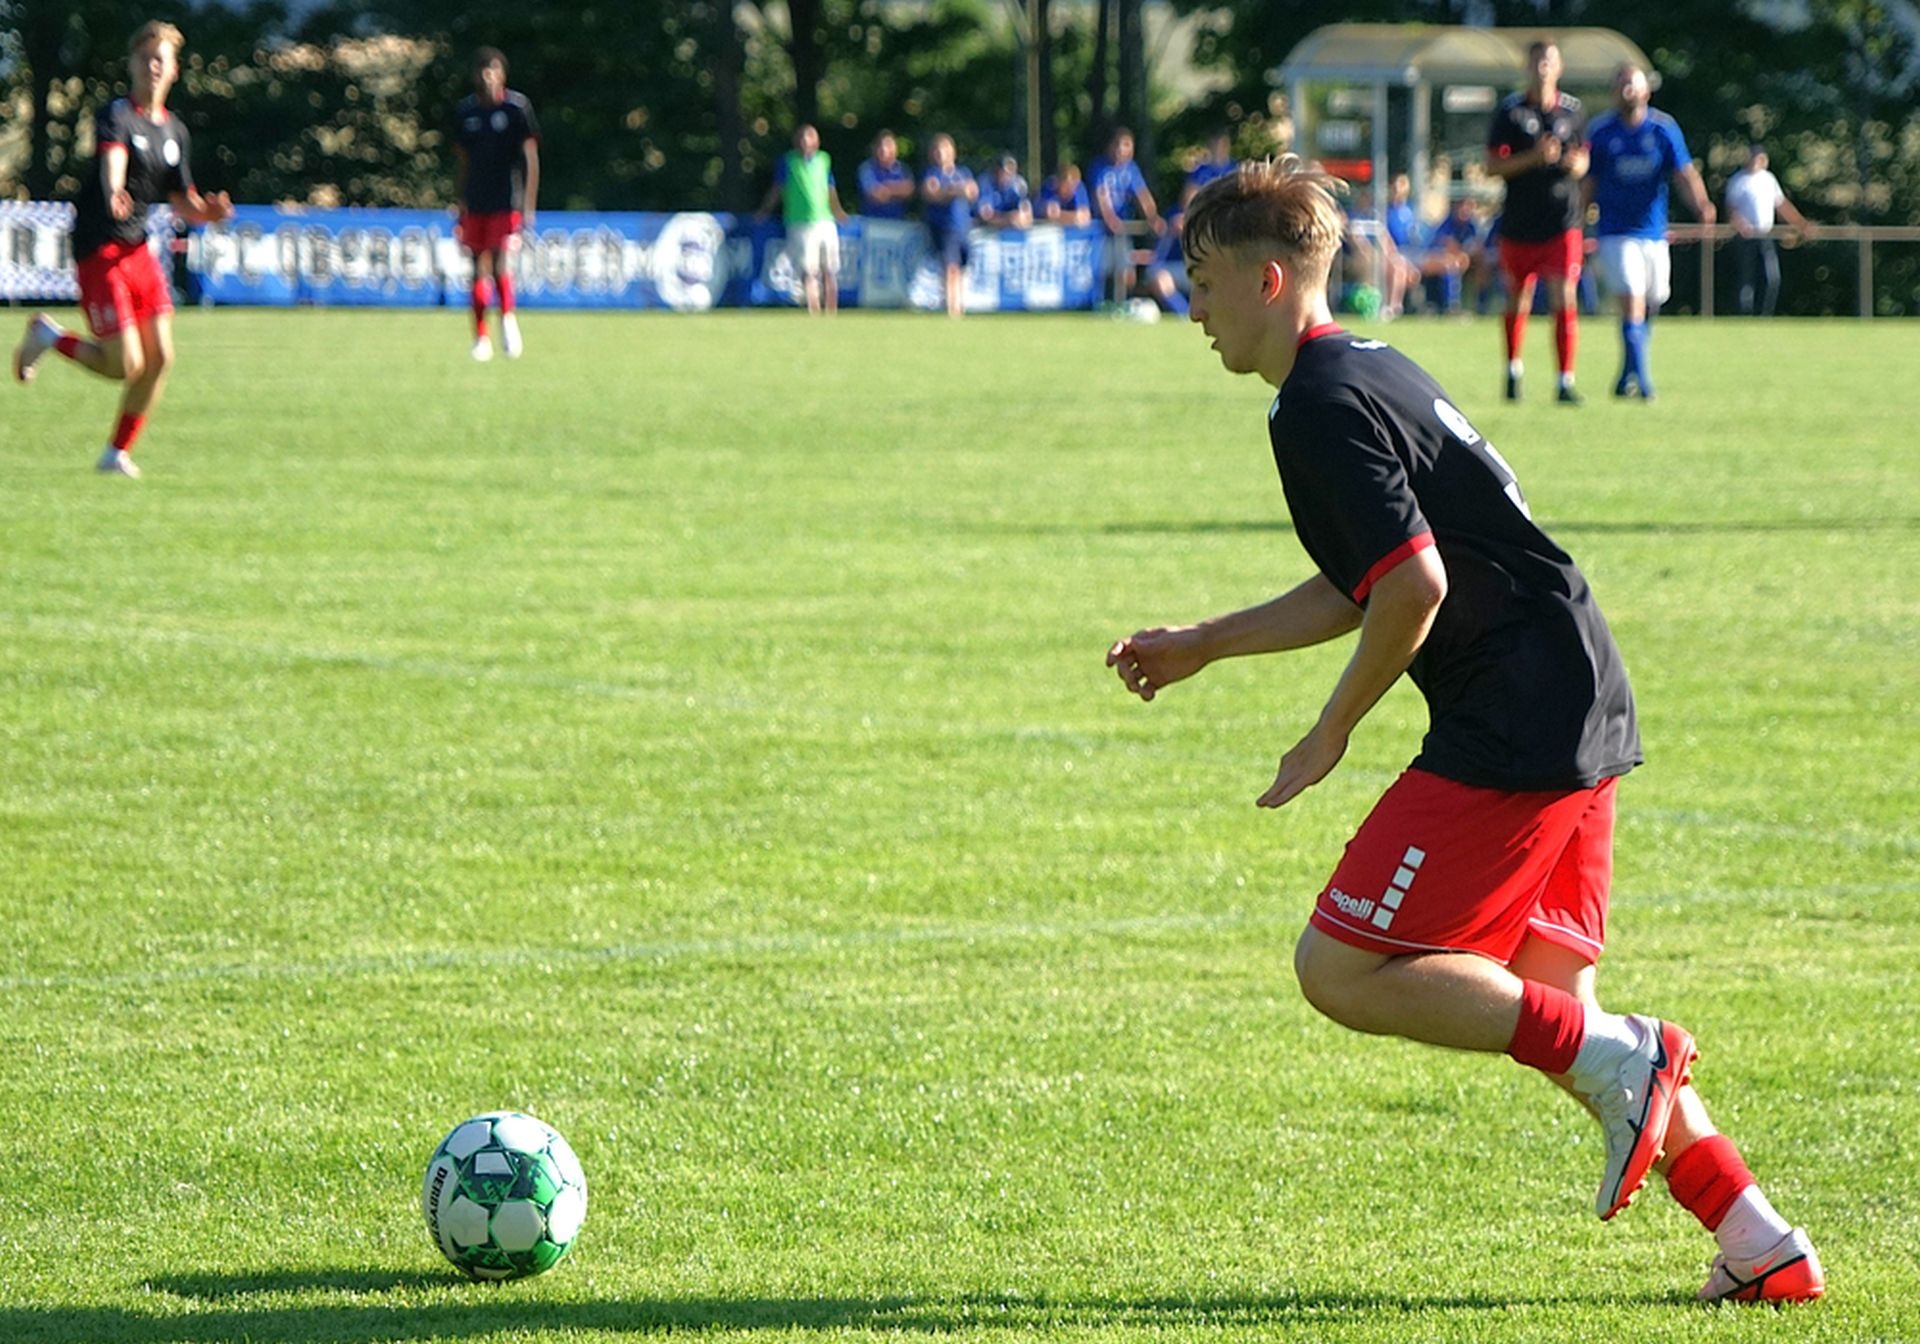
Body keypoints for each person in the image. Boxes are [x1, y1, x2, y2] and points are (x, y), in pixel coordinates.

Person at [1106, 156, 1824, 1307]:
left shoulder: (1316, 405)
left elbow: (1412, 586)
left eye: (1199, 281)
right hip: (1578, 685)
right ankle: (1761, 1242)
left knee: (1341, 967)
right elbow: (1366, 576)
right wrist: (1206, 641)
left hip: (1517, 715)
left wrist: (1331, 730)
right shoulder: (1367, 367)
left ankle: (1639, 1062)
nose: (1189, 307)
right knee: (1556, 1013)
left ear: (1267, 280)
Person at [11, 20, 233, 478]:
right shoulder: (117, 115)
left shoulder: (174, 132)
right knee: (124, 364)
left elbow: (182, 199)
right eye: (145, 58)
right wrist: (114, 189)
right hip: (99, 248)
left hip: (136, 249)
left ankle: (116, 454)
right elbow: (114, 159)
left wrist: (207, 214)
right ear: (132, 65)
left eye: (161, 60)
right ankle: (49, 336)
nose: (153, 66)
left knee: (161, 358)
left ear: (174, 70)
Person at [1583, 64, 1714, 400]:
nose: (1627, 90)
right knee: (1633, 301)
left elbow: (1684, 172)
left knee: (1652, 302)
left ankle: (1625, 375)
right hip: (1615, 232)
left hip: (1653, 233)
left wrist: (1702, 205)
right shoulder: (1602, 132)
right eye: (1621, 84)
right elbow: (1588, 182)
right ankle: (1643, 383)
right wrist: (1579, 219)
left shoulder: (1662, 129)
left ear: (1647, 91)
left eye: (1632, 84)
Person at [1486, 40, 1587, 403]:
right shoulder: (1510, 112)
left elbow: (1583, 159)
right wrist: (1534, 158)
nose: (1543, 67)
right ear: (1527, 67)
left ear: (1559, 67)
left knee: (1565, 295)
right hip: (1520, 222)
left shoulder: (1573, 111)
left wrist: (1576, 165)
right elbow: (1492, 166)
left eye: (1549, 61)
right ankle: (1513, 371)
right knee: (1518, 296)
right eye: (1537, 61)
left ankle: (1564, 380)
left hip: (1562, 221)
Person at [453, 46, 539, 361]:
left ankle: (507, 320)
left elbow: (530, 158)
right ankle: (481, 337)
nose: (487, 75)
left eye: (493, 69)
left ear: (502, 74)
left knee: (501, 262)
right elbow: (462, 162)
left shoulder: (516, 109)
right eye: (482, 70)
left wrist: (528, 205)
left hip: (506, 200)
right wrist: (460, 201)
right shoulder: (466, 113)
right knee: (477, 268)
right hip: (476, 201)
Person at [759, 123, 850, 315]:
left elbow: (830, 188)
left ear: (817, 141)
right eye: (801, 137)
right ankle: (813, 310)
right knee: (809, 270)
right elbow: (778, 189)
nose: (805, 141)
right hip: (800, 221)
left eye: (809, 137)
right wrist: (765, 210)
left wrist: (837, 211)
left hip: (825, 220)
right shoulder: (788, 161)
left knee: (830, 269)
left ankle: (831, 311)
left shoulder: (824, 160)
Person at [1726, 144, 1813, 317]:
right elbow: (1731, 209)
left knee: (1771, 277)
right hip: (1746, 237)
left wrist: (1801, 224)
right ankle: (1745, 316)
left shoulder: (1768, 179)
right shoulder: (1738, 180)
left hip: (1766, 235)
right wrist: (1741, 224)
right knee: (1746, 280)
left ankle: (1764, 316)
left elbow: (1781, 205)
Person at [1089, 127, 1163, 301]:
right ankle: (1099, 303)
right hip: (1101, 231)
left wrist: (1152, 218)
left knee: (1127, 274)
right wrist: (1109, 219)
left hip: (1122, 228)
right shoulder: (1100, 167)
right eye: (1118, 145)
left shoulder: (1131, 170)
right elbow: (1100, 196)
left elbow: (1142, 196)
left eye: (1126, 145)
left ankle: (1123, 303)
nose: (1121, 150)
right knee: (1101, 270)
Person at [920, 133, 977, 319]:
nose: (940, 154)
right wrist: (954, 191)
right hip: (944, 227)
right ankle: (951, 307)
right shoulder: (932, 173)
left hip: (963, 226)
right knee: (950, 266)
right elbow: (931, 193)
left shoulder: (962, 172)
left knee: (962, 267)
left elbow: (972, 191)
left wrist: (952, 191)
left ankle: (960, 303)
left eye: (943, 149)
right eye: (936, 150)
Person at [857, 129, 915, 220]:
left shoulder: (903, 169)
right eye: (880, 145)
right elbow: (876, 195)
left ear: (895, 148)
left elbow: (910, 191)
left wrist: (886, 187)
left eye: (888, 145)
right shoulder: (866, 168)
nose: (884, 149)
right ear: (875, 149)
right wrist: (899, 189)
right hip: (872, 222)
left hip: (899, 222)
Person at [975, 153, 1033, 229]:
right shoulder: (985, 182)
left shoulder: (1018, 184)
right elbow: (986, 217)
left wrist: (1023, 216)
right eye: (1005, 171)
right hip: (979, 228)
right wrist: (1010, 219)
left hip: (1008, 229)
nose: (1009, 176)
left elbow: (1026, 211)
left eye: (1012, 171)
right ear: (997, 171)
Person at [1036, 162, 1091, 226]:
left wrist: (1064, 216)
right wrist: (1074, 217)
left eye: (1074, 186)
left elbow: (1084, 216)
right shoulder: (1049, 188)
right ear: (1057, 182)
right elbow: (1051, 215)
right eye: (1067, 187)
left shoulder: (1079, 187)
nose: (1071, 191)